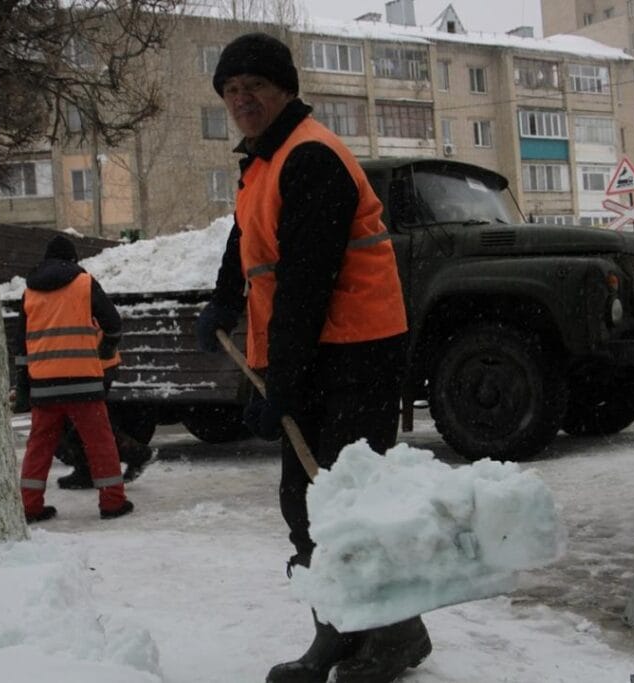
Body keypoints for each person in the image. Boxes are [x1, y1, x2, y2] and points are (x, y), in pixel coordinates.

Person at [195, 32, 430, 683]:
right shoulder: (263, 162)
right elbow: (245, 241)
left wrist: (283, 386)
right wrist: (221, 302)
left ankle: (391, 632)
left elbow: (305, 283)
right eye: (232, 91)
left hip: (356, 353)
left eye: (255, 88)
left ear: (286, 90)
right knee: (307, 503)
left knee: (346, 505)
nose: (242, 100)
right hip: (318, 352)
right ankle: (343, 627)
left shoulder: (311, 158)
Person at [13, 234, 133, 522]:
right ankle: (112, 503)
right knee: (100, 443)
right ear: (73, 260)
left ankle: (29, 506)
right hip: (83, 383)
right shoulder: (83, 282)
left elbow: (20, 347)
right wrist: (105, 348)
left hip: (43, 387)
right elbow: (113, 324)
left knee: (39, 447)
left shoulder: (30, 292)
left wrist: (22, 388)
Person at [55, 332, 152, 490]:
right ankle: (89, 468)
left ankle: (135, 454)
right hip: (84, 360)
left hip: (87, 362)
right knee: (82, 422)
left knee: (83, 423)